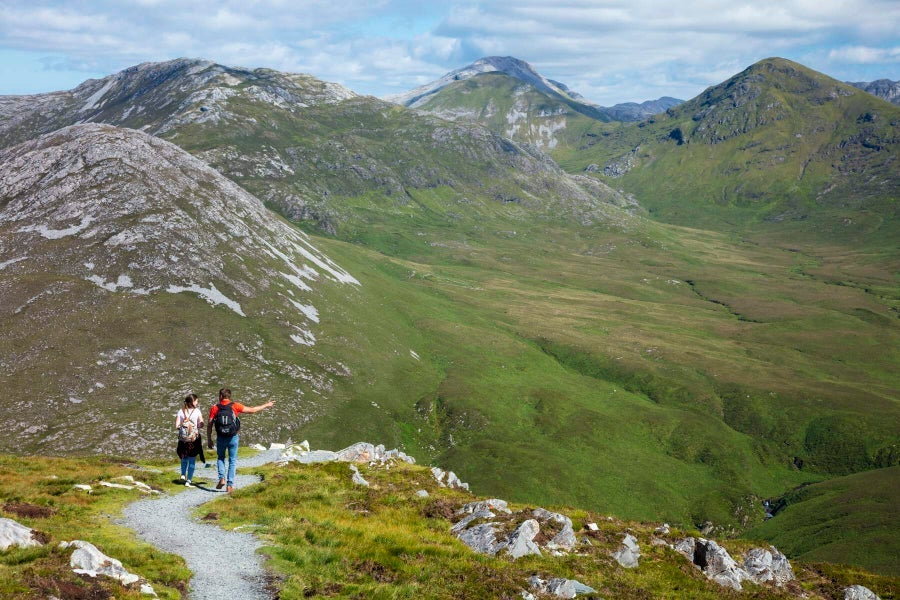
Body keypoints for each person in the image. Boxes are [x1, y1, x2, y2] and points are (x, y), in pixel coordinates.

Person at [207, 388, 275, 493]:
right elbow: (252, 410)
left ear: (220, 396)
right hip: (233, 437)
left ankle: (221, 478)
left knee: (220, 458)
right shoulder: (235, 406)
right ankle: (229, 485)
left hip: (221, 437)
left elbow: (209, 424)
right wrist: (267, 405)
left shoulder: (215, 408)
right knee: (232, 461)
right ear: (229, 396)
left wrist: (209, 439)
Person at [175, 394, 205, 487]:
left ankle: (183, 474)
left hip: (183, 441)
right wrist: (197, 426)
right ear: (192, 402)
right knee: (192, 460)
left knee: (184, 458)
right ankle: (189, 481)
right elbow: (201, 423)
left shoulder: (181, 411)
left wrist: (184, 428)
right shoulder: (197, 411)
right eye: (196, 401)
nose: (197, 403)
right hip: (193, 440)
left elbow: (177, 426)